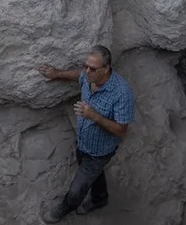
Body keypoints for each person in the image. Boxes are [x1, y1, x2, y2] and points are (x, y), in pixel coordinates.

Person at [36, 45, 135, 223]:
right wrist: (56, 73)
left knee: (77, 190)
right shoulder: (89, 76)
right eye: (85, 66)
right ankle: (99, 198)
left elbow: (121, 130)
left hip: (99, 152)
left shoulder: (121, 93)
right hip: (83, 142)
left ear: (106, 69)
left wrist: (94, 116)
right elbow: (78, 75)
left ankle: (62, 209)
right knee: (94, 175)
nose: (87, 71)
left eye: (93, 68)